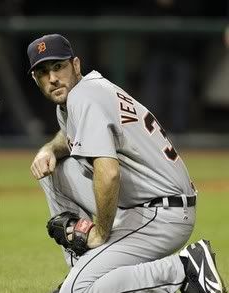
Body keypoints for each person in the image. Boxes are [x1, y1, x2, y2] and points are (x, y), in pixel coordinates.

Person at [27, 34, 226, 293]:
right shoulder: (85, 92)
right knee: (55, 170)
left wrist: (99, 232)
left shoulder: (83, 97)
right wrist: (48, 150)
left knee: (78, 291)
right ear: (35, 79)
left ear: (76, 65)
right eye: (43, 72)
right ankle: (82, 270)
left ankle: (184, 269)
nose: (52, 78)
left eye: (58, 67)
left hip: (161, 215)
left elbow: (108, 174)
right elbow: (68, 138)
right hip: (151, 204)